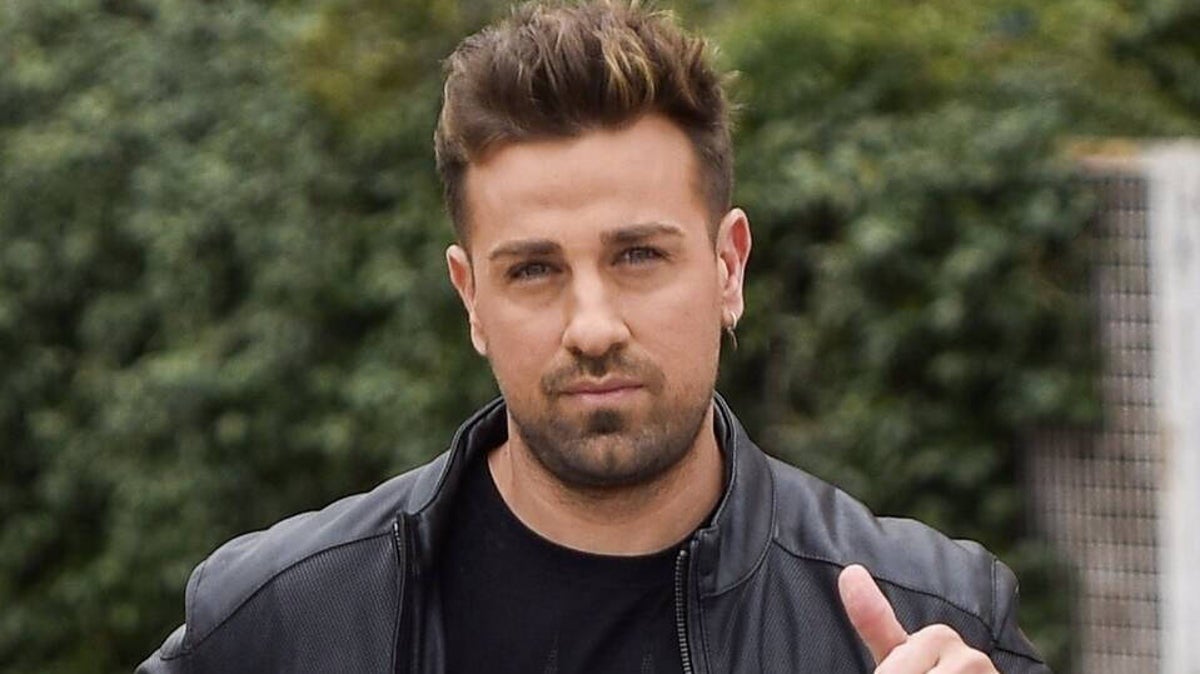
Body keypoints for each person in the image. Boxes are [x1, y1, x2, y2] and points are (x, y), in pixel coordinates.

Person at [138, 2, 1050, 672]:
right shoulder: (286, 621)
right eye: (533, 269)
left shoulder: (927, 620)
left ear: (729, 267)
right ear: (470, 298)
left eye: (639, 256)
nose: (593, 327)